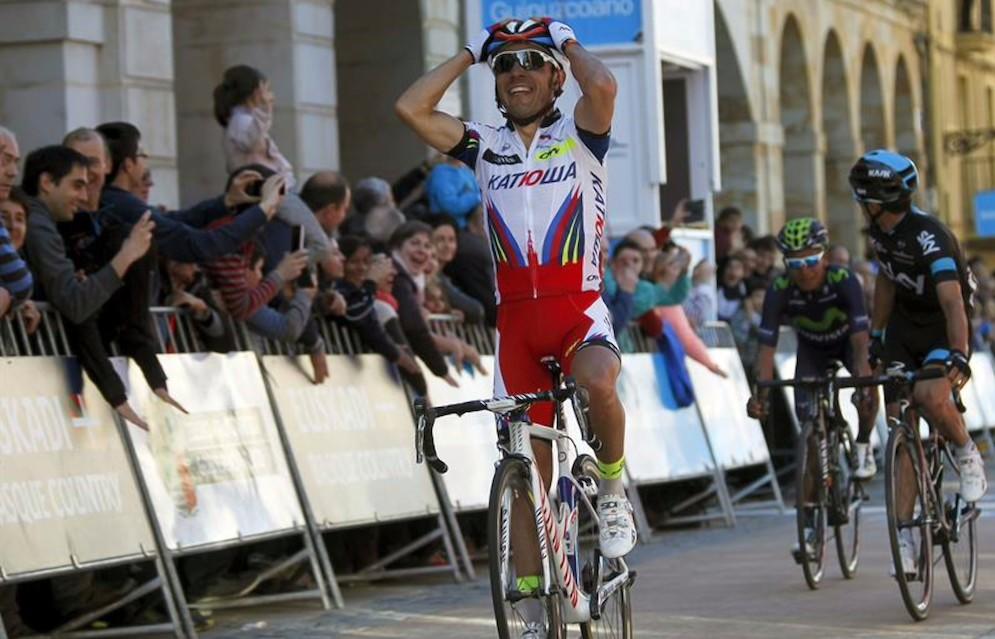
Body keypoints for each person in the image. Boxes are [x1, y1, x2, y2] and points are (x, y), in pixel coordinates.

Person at [396, 23, 636, 636]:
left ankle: (612, 493)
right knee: (526, 477)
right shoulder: (484, 145)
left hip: (577, 311)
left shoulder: (580, 135)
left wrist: (566, 40)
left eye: (531, 62)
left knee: (598, 382)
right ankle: (532, 615)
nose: (517, 73)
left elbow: (604, 86)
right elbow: (411, 108)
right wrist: (471, 52)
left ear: (555, 78)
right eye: (504, 66)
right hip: (518, 330)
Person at [849, 150, 987, 575]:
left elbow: (953, 302)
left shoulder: (930, 236)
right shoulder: (880, 232)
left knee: (929, 394)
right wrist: (876, 335)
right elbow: (887, 282)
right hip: (904, 329)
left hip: (942, 326)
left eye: (864, 198)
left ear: (880, 201)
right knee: (900, 426)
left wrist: (959, 353)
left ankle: (966, 451)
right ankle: (907, 537)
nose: (860, 204)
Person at [745, 217, 878, 560]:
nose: (803, 271)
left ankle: (863, 444)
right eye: (794, 263)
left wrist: (862, 381)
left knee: (868, 385)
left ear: (825, 257)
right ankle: (808, 526)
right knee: (809, 432)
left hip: (848, 344)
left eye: (810, 261)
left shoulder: (844, 280)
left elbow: (861, 340)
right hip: (812, 352)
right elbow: (767, 347)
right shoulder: (779, 288)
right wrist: (761, 394)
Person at [20, 145, 163, 427]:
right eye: (77, 185)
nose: (84, 197)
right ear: (47, 182)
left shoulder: (42, 220)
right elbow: (75, 304)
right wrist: (126, 255)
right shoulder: (36, 223)